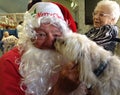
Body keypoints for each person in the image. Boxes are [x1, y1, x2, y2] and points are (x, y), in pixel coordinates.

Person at [0, 2, 89, 95]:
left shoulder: (70, 60)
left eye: (56, 35)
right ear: (29, 36)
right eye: (41, 34)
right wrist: (60, 90)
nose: (50, 42)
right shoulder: (9, 63)